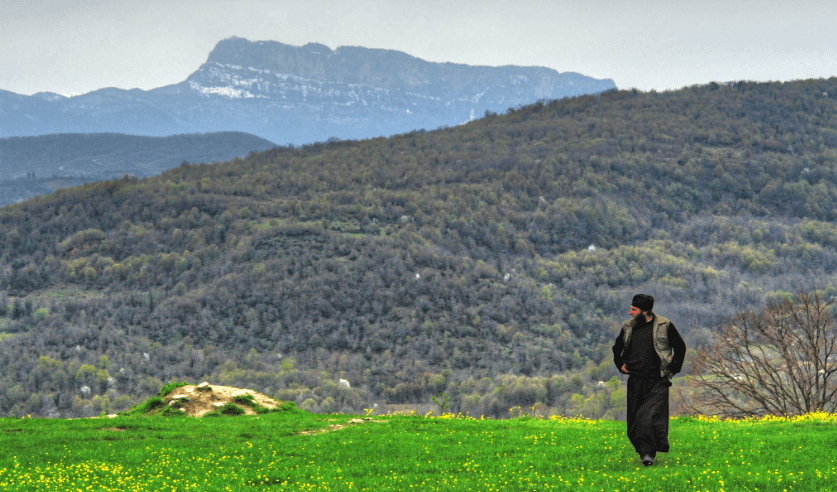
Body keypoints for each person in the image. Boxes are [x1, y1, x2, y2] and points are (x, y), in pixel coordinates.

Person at [612, 294, 687, 466]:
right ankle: (642, 451)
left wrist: (673, 368)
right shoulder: (628, 327)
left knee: (649, 417)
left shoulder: (664, 325)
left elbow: (680, 347)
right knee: (633, 422)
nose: (630, 312)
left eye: (633, 309)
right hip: (635, 380)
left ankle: (648, 455)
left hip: (657, 380)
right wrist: (620, 364)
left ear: (644, 311)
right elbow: (617, 348)